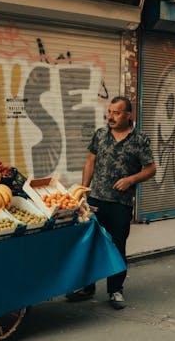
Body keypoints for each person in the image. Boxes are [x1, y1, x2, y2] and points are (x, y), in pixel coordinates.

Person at [66, 96, 156, 310]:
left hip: (120, 203)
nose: (111, 116)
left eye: (117, 112)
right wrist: (82, 191)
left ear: (128, 115)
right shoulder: (100, 134)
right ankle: (87, 287)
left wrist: (131, 180)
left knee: (116, 246)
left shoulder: (139, 139)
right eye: (109, 112)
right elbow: (90, 162)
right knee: (91, 243)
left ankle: (115, 289)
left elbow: (151, 169)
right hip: (96, 200)